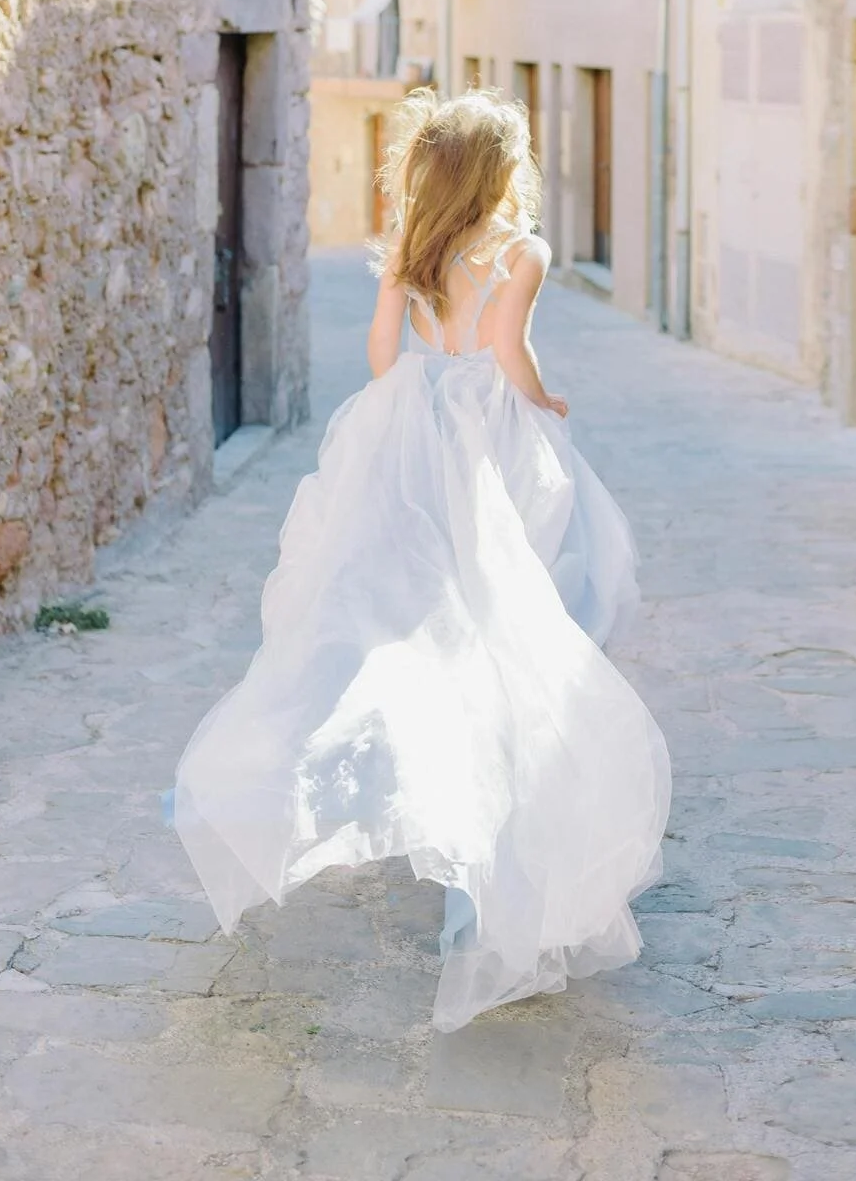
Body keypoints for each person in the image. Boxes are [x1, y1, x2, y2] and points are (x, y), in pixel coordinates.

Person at [171, 87, 671, 1033]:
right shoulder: (521, 252)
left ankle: (404, 787)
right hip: (489, 438)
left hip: (410, 428)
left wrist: (419, 370)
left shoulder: (413, 250)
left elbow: (376, 354)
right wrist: (546, 402)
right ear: (503, 170)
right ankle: (505, 823)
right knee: (532, 606)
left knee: (413, 610)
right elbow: (510, 349)